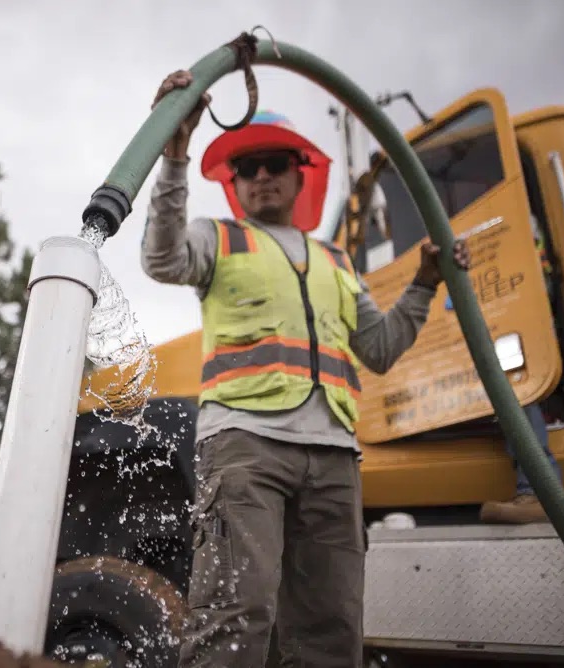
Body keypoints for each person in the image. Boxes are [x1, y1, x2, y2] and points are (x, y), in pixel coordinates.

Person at [140, 70, 470, 668]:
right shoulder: (218, 239)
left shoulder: (337, 260)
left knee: (332, 628)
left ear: (299, 175)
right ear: (235, 183)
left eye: (275, 163)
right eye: (248, 167)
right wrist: (174, 157)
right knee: (235, 614)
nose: (262, 175)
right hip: (244, 448)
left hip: (335, 459)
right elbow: (161, 259)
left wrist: (424, 283)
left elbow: (380, 349)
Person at [479, 213, 564, 524]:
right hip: (516, 336)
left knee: (519, 397)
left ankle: (539, 493)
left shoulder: (512, 226)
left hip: (524, 340)